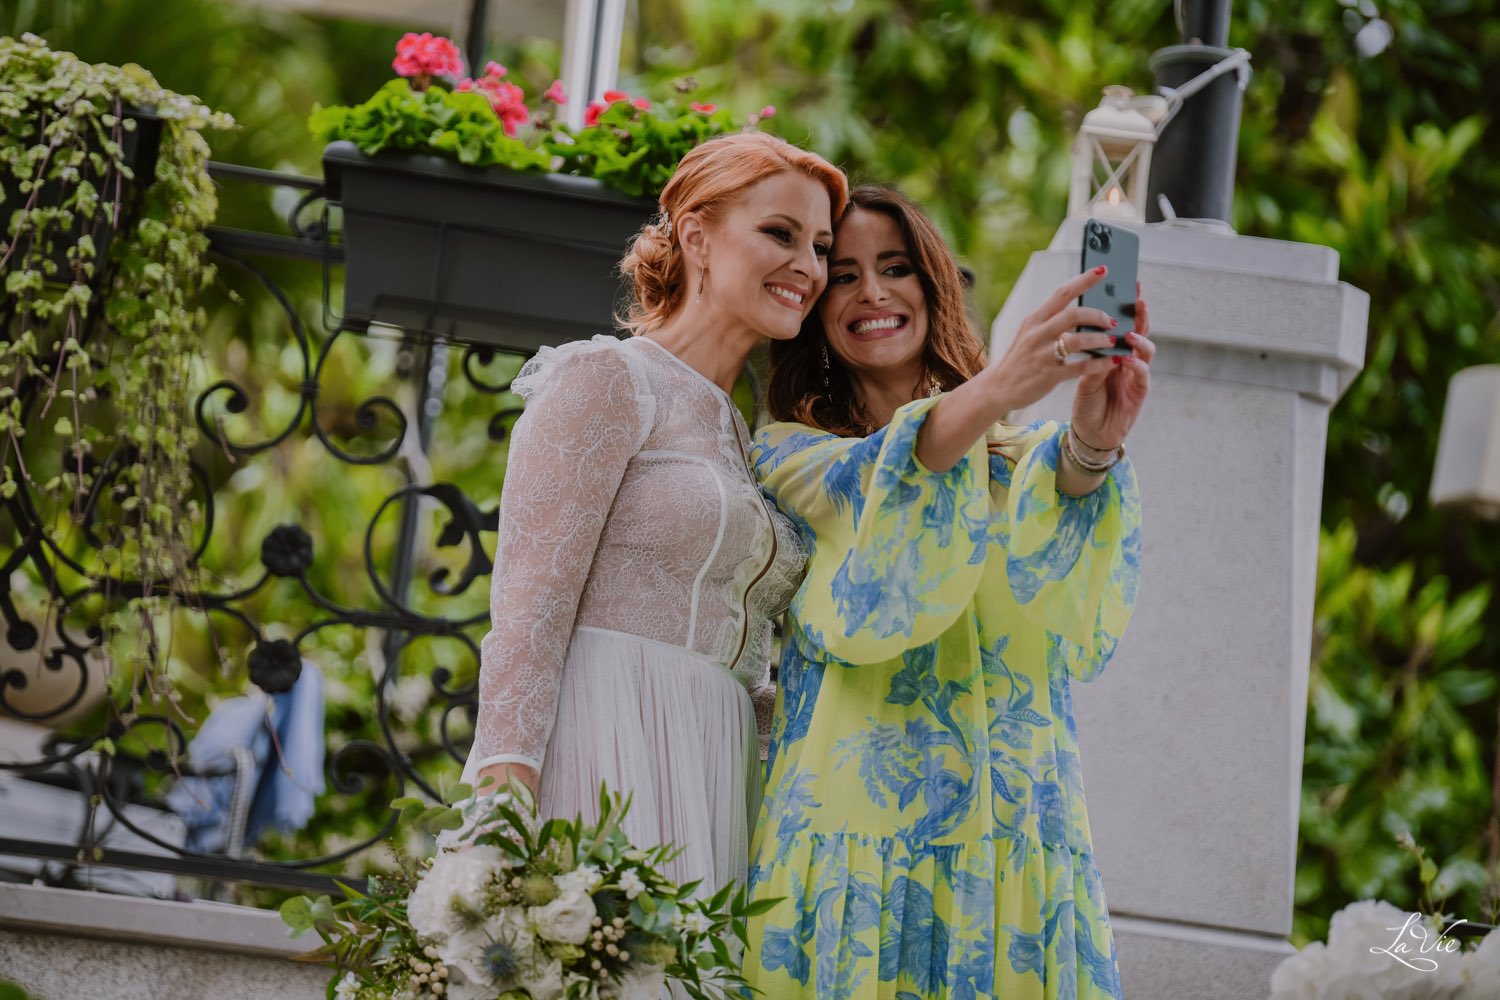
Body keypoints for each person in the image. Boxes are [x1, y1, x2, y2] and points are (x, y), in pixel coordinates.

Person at [743, 185, 1151, 999]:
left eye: (895, 268)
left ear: (932, 285)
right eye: (844, 276)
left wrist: (1095, 442)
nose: (872, 292)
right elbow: (886, 475)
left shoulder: (1019, 454)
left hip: (1014, 839)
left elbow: (1063, 524)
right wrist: (999, 385)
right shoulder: (791, 456)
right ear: (817, 309)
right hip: (855, 848)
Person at [457, 131, 848, 896]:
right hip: (604, 741)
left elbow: (744, 648)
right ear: (697, 236)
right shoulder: (610, 378)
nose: (809, 266)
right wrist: (503, 799)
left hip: (715, 772)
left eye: (821, 247)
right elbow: (530, 608)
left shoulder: (749, 438)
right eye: (780, 233)